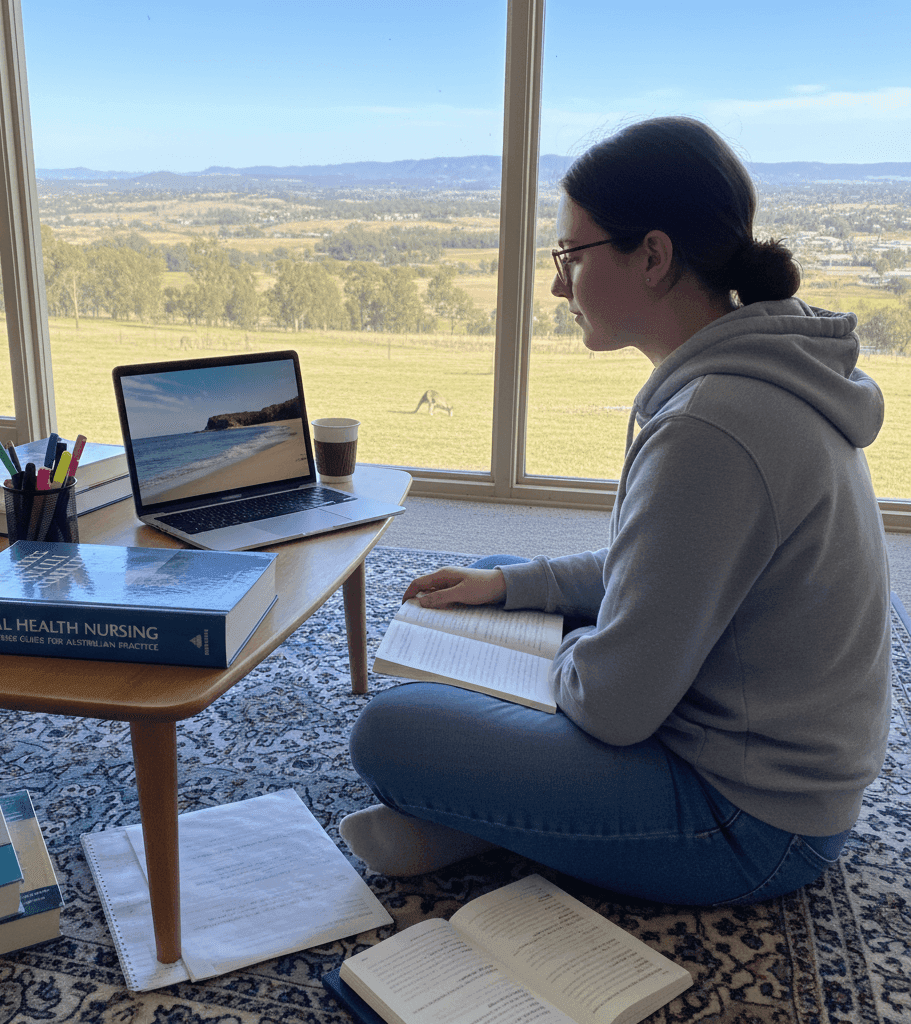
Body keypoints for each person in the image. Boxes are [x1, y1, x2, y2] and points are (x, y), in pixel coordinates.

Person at [339, 116, 892, 905]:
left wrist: (532, 668)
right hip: (758, 756)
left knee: (390, 732)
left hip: (750, 822)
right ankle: (491, 823)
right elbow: (663, 569)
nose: (558, 285)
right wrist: (512, 594)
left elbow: (620, 704)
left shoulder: (714, 426)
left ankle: (487, 819)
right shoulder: (750, 379)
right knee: (496, 577)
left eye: (569, 255)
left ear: (655, 256)